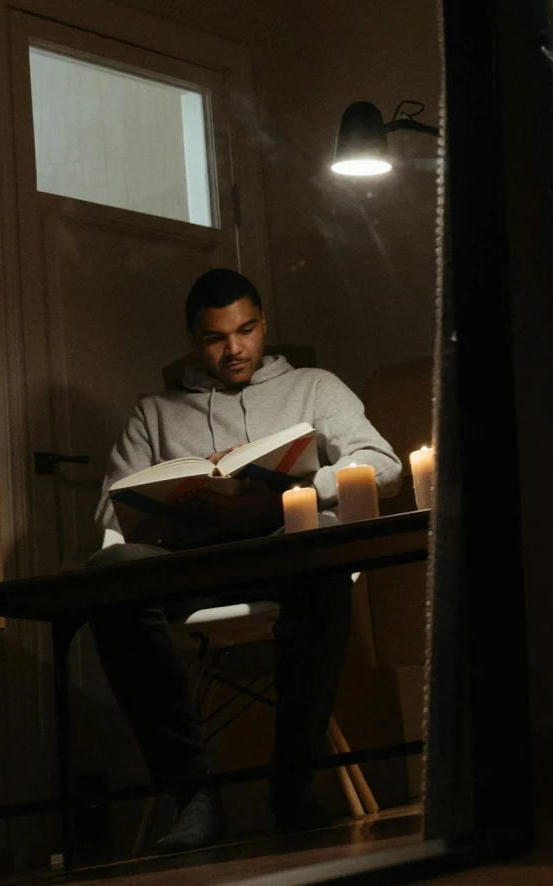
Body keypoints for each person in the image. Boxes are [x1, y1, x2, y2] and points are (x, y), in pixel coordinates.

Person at [87, 267, 399, 853]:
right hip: (190, 563)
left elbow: (382, 462)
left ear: (263, 324)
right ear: (191, 339)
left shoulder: (312, 386)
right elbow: (111, 511)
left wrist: (295, 493)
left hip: (283, 546)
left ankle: (292, 783)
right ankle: (194, 793)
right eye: (214, 338)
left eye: (246, 330)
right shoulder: (154, 411)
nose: (234, 349)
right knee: (108, 574)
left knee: (325, 565)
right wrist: (189, 500)